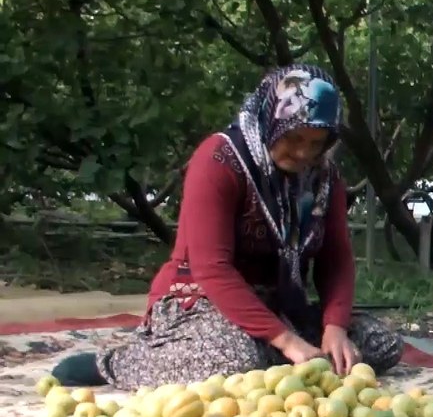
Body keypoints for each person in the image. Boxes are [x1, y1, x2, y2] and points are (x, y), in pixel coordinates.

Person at [52, 64, 404, 389]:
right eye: (294, 138)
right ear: (272, 121)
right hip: (203, 300)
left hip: (278, 304)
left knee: (380, 345)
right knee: (235, 360)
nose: (302, 154)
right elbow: (212, 268)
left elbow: (336, 258)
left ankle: (273, 357)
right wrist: (289, 341)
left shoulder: (324, 178)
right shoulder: (219, 160)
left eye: (315, 144)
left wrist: (335, 328)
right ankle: (120, 362)